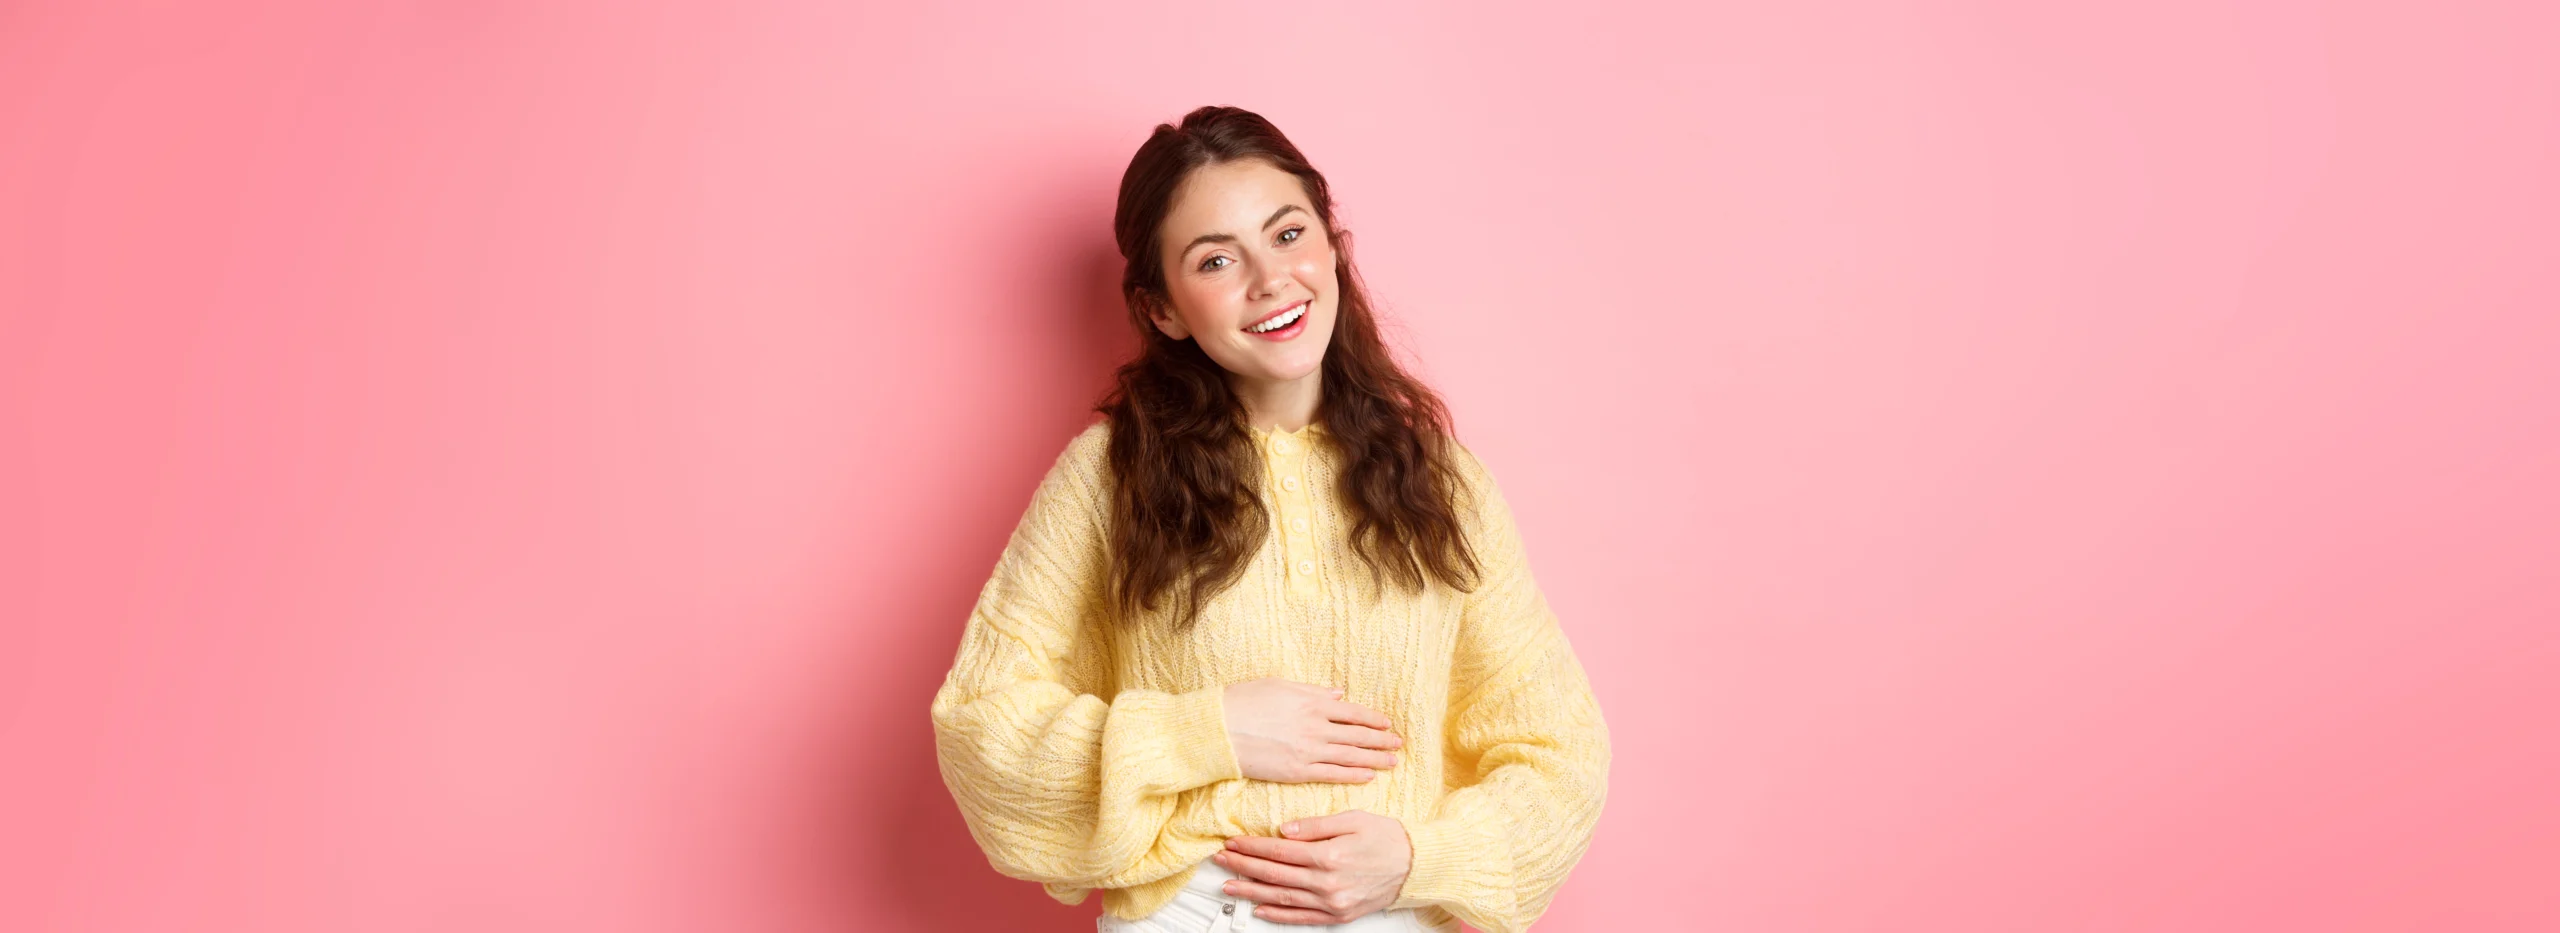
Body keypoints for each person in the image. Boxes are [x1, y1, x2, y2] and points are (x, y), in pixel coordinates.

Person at [929, 105, 1610, 933]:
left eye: (1288, 235)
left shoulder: (1442, 481)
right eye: (1216, 259)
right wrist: (1208, 730)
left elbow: (1561, 751)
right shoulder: (1108, 477)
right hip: (1191, 915)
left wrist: (1417, 858)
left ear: (1334, 246)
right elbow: (981, 726)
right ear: (1163, 309)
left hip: (1394, 915)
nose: (1269, 280)